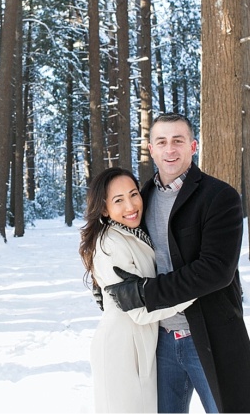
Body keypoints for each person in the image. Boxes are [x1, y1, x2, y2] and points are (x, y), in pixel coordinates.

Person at [103, 113, 250, 413]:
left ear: (193, 146)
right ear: (151, 149)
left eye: (178, 141)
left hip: (209, 337)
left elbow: (216, 271)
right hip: (160, 342)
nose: (170, 150)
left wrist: (144, 293)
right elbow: (122, 246)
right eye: (162, 142)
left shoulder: (219, 197)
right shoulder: (142, 198)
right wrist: (104, 286)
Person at [81, 167, 194, 412]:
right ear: (103, 208)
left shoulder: (132, 233)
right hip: (121, 349)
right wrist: (193, 289)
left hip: (140, 344)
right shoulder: (110, 242)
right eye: (118, 200)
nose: (130, 206)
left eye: (133, 194)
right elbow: (139, 310)